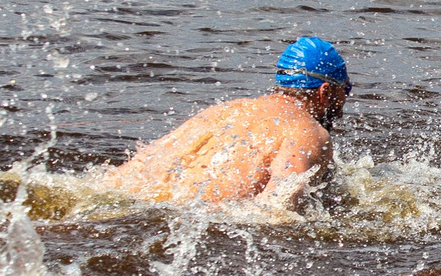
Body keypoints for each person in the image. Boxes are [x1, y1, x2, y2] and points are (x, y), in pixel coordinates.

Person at [99, 37, 350, 208]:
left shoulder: (221, 112)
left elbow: (125, 177)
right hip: (210, 221)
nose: (343, 103)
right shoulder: (307, 131)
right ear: (325, 92)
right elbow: (279, 205)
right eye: (344, 92)